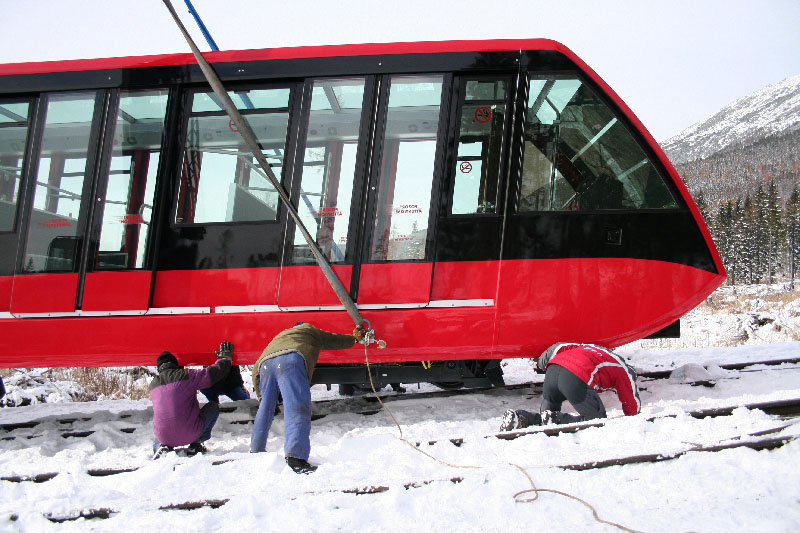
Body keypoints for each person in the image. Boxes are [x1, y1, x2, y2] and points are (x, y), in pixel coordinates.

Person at [250, 322, 366, 473]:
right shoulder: (309, 330)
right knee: (296, 407)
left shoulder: (280, 335)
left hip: (265, 364)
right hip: (290, 360)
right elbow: (334, 339)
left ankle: (256, 450)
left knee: (265, 408)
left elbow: (255, 373)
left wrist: (262, 398)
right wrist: (354, 339)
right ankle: (296, 458)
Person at [500, 343, 640, 430]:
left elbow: (558, 347)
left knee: (545, 418)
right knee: (596, 421)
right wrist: (633, 417)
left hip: (552, 371)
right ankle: (556, 419)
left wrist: (540, 363)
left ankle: (520, 418)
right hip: (575, 376)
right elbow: (630, 397)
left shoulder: (588, 347)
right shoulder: (622, 368)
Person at [149, 342, 233, 458]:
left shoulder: (152, 386)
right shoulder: (185, 375)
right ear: (175, 365)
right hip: (191, 432)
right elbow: (212, 374)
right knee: (213, 407)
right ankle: (197, 443)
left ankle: (160, 447)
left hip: (164, 436)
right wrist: (225, 359)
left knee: (163, 422)